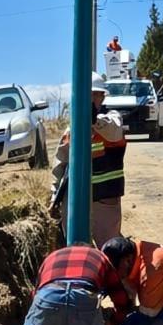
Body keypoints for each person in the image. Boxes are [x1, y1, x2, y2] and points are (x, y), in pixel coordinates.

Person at [49, 74, 127, 243]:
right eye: (86, 95)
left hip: (104, 198)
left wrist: (93, 121)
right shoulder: (71, 130)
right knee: (76, 249)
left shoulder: (111, 119)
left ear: (102, 97)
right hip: (75, 199)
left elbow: (114, 132)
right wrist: (54, 197)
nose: (90, 99)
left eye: (94, 95)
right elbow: (60, 165)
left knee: (109, 250)